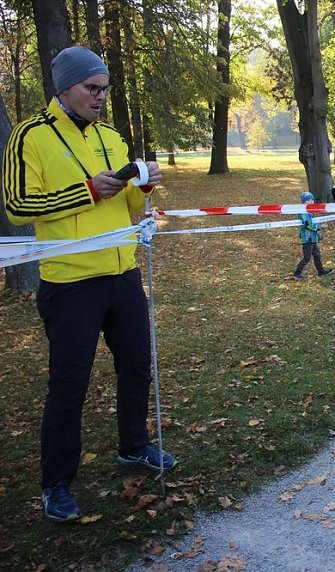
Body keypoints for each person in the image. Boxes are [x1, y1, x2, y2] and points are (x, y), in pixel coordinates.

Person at [2, 46, 176, 523]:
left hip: (122, 275)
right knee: (69, 385)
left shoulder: (111, 138)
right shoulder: (30, 136)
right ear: (64, 88)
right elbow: (18, 205)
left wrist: (142, 191)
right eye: (92, 88)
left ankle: (134, 446)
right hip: (70, 283)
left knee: (138, 366)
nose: (101, 97)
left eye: (105, 90)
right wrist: (86, 191)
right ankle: (56, 483)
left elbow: (131, 214)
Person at [293, 192, 334, 280]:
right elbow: (308, 225)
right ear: (303, 202)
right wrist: (320, 227)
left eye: (312, 199)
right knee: (307, 257)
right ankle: (297, 273)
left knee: (317, 254)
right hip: (307, 238)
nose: (311, 201)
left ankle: (321, 270)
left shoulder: (309, 211)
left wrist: (318, 235)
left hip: (312, 237)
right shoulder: (303, 211)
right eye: (308, 200)